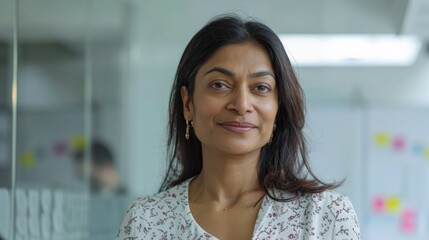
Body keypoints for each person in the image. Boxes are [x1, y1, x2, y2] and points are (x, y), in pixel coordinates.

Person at [116, 14, 360, 239]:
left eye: (261, 88)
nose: (242, 104)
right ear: (188, 102)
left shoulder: (326, 217)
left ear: (278, 109)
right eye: (219, 85)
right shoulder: (145, 221)